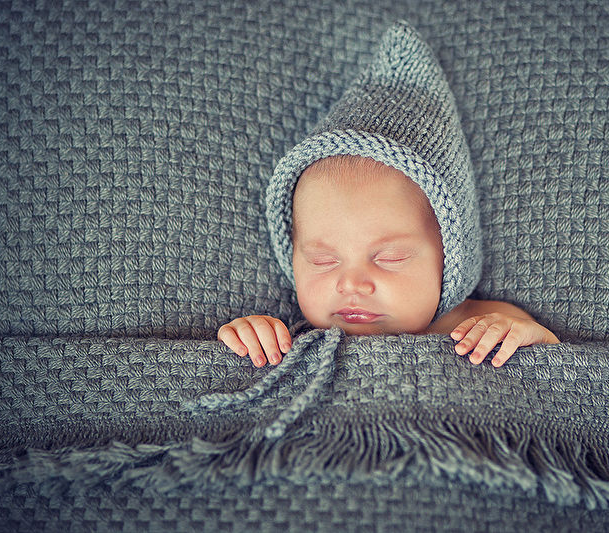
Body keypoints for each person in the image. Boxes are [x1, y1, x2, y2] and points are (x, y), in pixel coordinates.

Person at [219, 21, 559, 368]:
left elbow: (553, 367)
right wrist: (254, 335)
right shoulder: (289, 338)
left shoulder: (484, 323)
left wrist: (528, 335)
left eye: (390, 258)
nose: (352, 284)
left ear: (451, 254)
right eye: (322, 260)